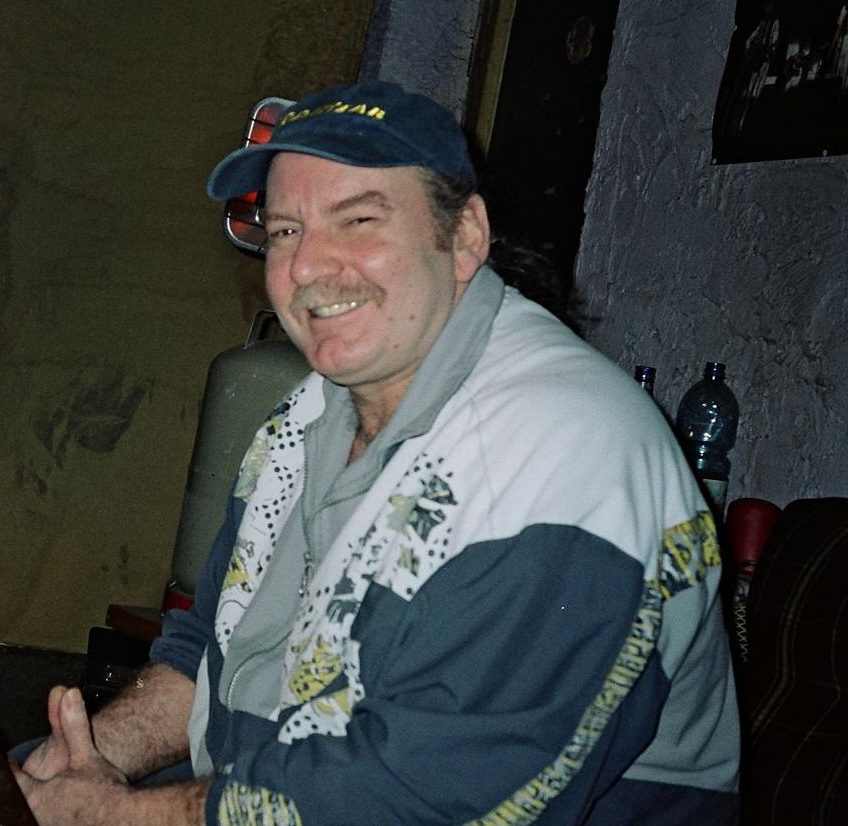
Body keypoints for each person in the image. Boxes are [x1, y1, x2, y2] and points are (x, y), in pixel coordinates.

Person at [12, 80, 740, 825]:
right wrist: (80, 761)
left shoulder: (562, 455)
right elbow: (212, 646)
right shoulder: (310, 412)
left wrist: (114, 816)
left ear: (466, 236)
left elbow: (425, 796)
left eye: (357, 220)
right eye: (285, 230)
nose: (305, 266)